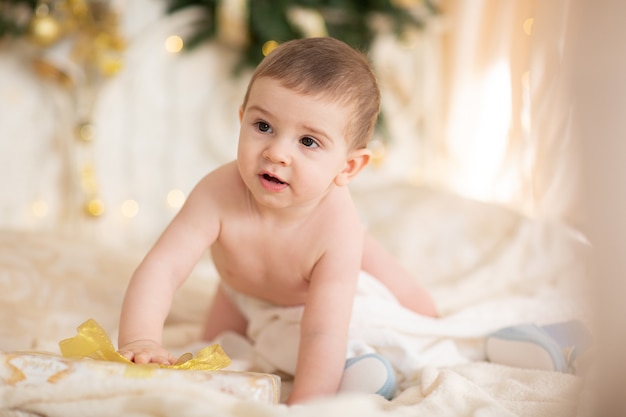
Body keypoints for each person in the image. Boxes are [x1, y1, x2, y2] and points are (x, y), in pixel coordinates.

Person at [117, 36, 438, 405]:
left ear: (348, 167)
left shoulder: (337, 226)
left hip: (310, 297)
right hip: (240, 290)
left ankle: (368, 367)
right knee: (216, 351)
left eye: (308, 142)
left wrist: (306, 405)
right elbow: (163, 268)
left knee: (400, 320)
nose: (277, 153)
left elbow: (323, 332)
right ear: (242, 118)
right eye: (263, 126)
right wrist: (140, 339)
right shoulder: (217, 192)